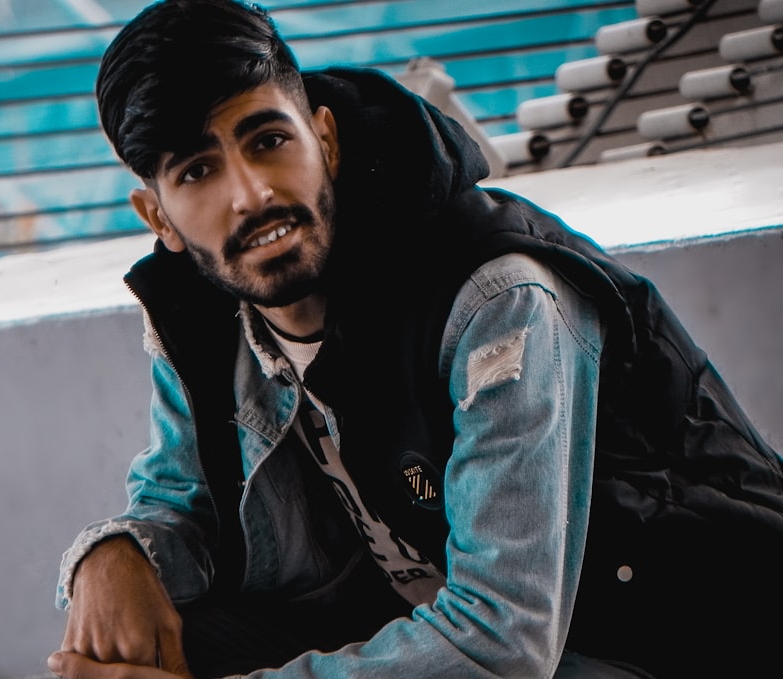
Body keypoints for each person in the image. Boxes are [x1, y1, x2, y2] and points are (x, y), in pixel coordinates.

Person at [47, 1, 783, 677]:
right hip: (422, 622)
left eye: (268, 140)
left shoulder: (493, 295)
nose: (251, 194)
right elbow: (180, 500)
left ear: (324, 139)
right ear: (160, 219)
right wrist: (111, 553)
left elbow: (503, 638)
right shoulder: (203, 312)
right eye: (199, 170)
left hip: (650, 640)